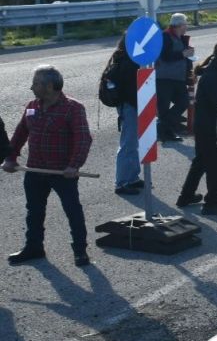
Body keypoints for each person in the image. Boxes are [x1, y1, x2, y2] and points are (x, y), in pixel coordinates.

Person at [4, 66, 92, 267]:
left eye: (35, 83)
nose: (31, 87)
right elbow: (20, 133)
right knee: (34, 210)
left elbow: (83, 139)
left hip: (62, 172)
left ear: (50, 86)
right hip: (35, 169)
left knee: (72, 211)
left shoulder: (73, 108)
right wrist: (10, 158)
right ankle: (34, 247)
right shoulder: (32, 105)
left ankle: (80, 251)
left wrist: (74, 165)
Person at [178, 41, 217, 215]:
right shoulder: (214, 75)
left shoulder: (215, 71)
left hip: (203, 124)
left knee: (201, 161)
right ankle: (211, 202)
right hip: (210, 126)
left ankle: (186, 196)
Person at [105, 36, 143, 195]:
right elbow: (131, 90)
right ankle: (122, 182)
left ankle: (132, 177)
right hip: (130, 107)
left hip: (129, 106)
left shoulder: (121, 59)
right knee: (128, 144)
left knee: (132, 143)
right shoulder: (129, 63)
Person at [156, 13, 195, 141]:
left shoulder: (180, 37)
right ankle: (166, 132)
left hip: (178, 78)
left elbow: (183, 57)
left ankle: (163, 127)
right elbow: (165, 56)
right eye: (185, 24)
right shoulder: (165, 36)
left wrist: (189, 69)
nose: (186, 27)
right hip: (164, 79)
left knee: (183, 102)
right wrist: (183, 54)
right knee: (164, 107)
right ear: (179, 25)